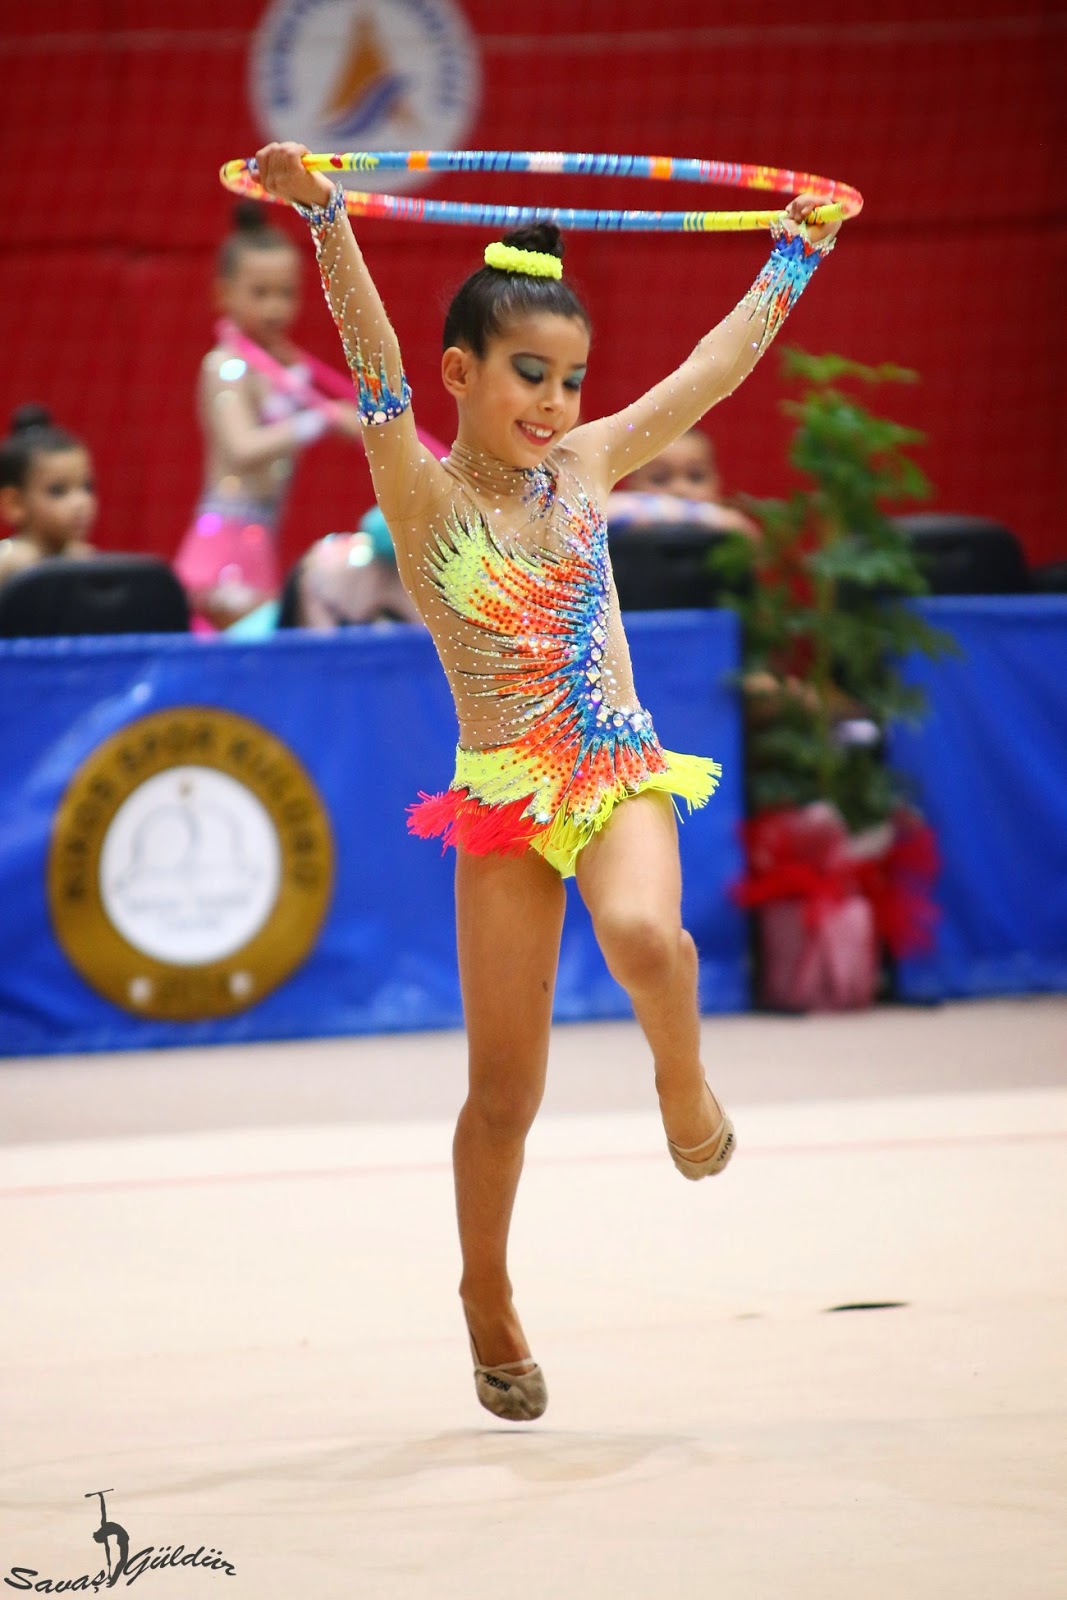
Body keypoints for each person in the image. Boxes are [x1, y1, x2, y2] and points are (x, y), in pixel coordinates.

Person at [256, 140, 844, 1422]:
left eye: (571, 379)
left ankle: (680, 1081)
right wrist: (327, 217)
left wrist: (794, 255)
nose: (555, 402)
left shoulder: (584, 468)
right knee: (502, 1094)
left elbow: (706, 373)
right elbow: (371, 363)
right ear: (460, 374)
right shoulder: (416, 492)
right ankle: (485, 1290)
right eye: (529, 374)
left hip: (611, 759)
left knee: (642, 933)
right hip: (502, 798)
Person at [174, 201, 365, 631]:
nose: (275, 308)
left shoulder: (280, 369)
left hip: (259, 539)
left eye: (286, 293)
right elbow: (242, 448)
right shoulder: (226, 365)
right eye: (260, 294)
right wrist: (320, 419)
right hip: (223, 542)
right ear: (223, 294)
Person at [0, 405, 97, 587]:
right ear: (15, 503)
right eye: (58, 490)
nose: (80, 502)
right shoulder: (7, 563)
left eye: (87, 487)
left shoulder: (85, 559)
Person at [607, 426, 759, 535]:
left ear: (717, 483)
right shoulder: (613, 518)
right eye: (659, 479)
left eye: (696, 477)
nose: (680, 490)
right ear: (631, 485)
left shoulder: (732, 530)